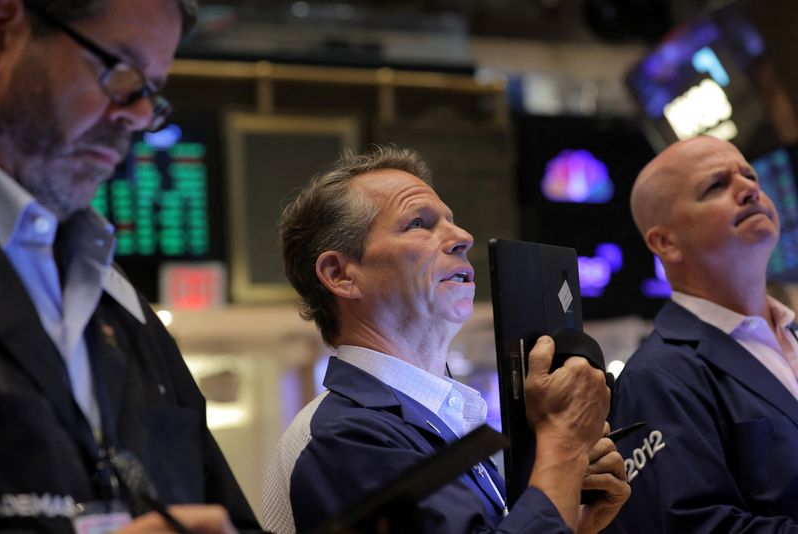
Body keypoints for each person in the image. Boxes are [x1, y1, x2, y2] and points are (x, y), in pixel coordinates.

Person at [262, 145, 629, 533]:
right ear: (340, 274)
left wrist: (574, 522)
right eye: (418, 223)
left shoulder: (434, 422)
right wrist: (564, 444)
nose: (464, 237)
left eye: (452, 221)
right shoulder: (343, 437)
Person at [0, 0, 259, 531]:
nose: (140, 115)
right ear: (8, 28)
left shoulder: (121, 305)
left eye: (152, 91)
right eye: (121, 71)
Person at [606, 135, 798, 532]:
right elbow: (697, 526)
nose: (750, 189)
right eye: (717, 185)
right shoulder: (656, 377)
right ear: (665, 242)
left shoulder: (792, 332)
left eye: (748, 175)